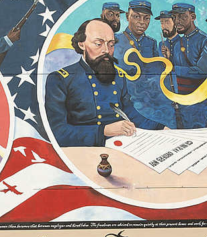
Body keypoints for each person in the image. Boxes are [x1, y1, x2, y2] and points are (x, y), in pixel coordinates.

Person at [44, 19, 164, 147]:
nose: (106, 50)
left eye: (111, 44)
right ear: (81, 45)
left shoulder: (118, 76)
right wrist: (104, 131)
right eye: (98, 44)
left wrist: (162, 129)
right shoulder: (61, 79)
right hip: (84, 151)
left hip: (121, 146)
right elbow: (57, 133)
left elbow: (132, 114)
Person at [113, 0, 158, 64]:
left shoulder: (152, 43)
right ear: (127, 16)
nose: (142, 22)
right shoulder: (115, 40)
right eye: (136, 16)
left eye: (147, 18)